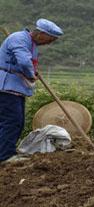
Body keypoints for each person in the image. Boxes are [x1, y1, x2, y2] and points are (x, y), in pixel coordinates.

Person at [0, 19, 63, 163]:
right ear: (41, 34)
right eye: (50, 39)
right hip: (6, 87)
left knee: (17, 121)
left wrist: (32, 71)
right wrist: (31, 74)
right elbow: (23, 61)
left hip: (15, 87)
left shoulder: (31, 44)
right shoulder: (19, 38)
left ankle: (6, 151)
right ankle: (4, 156)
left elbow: (27, 62)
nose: (50, 43)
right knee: (12, 121)